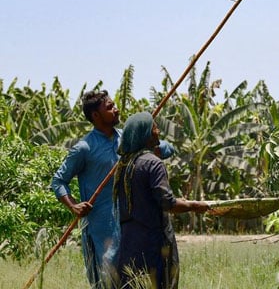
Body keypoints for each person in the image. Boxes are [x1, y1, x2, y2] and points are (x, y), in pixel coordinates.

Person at [51, 90, 175, 289]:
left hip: (131, 223)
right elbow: (58, 182)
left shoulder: (127, 140)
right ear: (96, 116)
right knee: (107, 280)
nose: (116, 110)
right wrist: (74, 206)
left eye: (114, 105)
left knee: (136, 279)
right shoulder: (84, 148)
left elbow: (168, 149)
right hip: (102, 227)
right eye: (109, 107)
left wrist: (158, 149)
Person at [113, 111, 209, 289]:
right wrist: (195, 205)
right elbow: (168, 203)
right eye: (154, 127)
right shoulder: (153, 163)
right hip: (154, 243)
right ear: (147, 133)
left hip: (130, 243)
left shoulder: (124, 165)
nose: (158, 131)